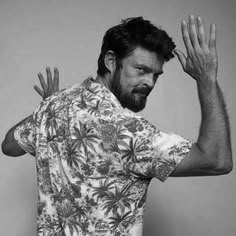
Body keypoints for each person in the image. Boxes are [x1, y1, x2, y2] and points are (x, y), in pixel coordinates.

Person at [1, 14, 233, 236]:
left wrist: (48, 108)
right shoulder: (127, 132)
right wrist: (206, 79)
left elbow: (9, 145)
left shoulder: (57, 106)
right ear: (111, 61)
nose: (149, 83)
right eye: (141, 70)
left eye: (156, 75)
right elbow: (217, 161)